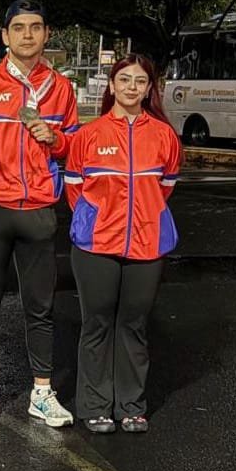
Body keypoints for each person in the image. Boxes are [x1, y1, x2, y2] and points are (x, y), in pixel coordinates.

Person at [0, 0, 78, 430]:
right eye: (18, 28)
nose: (27, 35)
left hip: (39, 209)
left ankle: (42, 393)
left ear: (46, 34)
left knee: (40, 306)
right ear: (5, 36)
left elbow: (74, 146)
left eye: (35, 27)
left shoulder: (61, 88)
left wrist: (57, 139)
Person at [65, 54, 181, 434]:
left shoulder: (164, 136)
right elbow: (74, 186)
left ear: (149, 90)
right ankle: (95, 405)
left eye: (140, 81)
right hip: (96, 245)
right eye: (125, 80)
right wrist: (98, 220)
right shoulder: (89, 135)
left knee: (133, 325)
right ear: (112, 86)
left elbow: (166, 185)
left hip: (148, 245)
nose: (132, 87)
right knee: (96, 324)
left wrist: (144, 217)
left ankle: (131, 405)